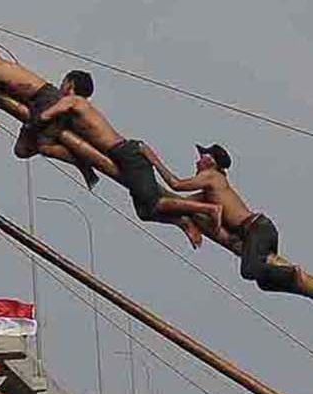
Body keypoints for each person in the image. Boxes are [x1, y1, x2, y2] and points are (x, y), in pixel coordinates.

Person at [37, 94, 223, 244]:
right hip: (122, 157)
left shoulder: (73, 101)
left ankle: (209, 209)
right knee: (144, 212)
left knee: (155, 203)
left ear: (69, 84)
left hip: (127, 154)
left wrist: (36, 118)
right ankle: (183, 222)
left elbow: (45, 115)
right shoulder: (76, 115)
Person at [0, 33, 101, 189]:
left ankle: (82, 162)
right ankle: (72, 151)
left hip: (43, 99)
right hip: (33, 103)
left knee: (45, 147)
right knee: (21, 150)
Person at [142, 143, 300, 294]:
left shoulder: (212, 176)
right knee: (264, 283)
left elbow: (176, 184)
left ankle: (293, 273)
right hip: (259, 230)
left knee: (249, 270)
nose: (197, 163)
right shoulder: (209, 192)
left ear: (211, 161)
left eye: (201, 158)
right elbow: (181, 204)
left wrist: (154, 160)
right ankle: (290, 275)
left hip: (256, 229)